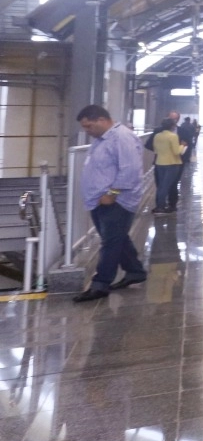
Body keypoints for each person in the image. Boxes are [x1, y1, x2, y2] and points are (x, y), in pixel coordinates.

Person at [73, 105, 147, 303]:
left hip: (117, 201)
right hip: (101, 200)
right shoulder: (102, 139)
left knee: (110, 242)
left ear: (101, 120)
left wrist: (112, 194)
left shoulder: (122, 138)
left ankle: (100, 284)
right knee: (117, 238)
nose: (87, 132)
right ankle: (134, 272)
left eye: (89, 126)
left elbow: (130, 170)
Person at [152, 118, 184, 214]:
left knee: (161, 186)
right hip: (172, 164)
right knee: (166, 187)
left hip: (159, 163)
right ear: (172, 126)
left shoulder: (157, 136)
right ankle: (161, 207)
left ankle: (159, 205)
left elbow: (156, 150)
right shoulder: (173, 136)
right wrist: (182, 145)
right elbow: (176, 151)